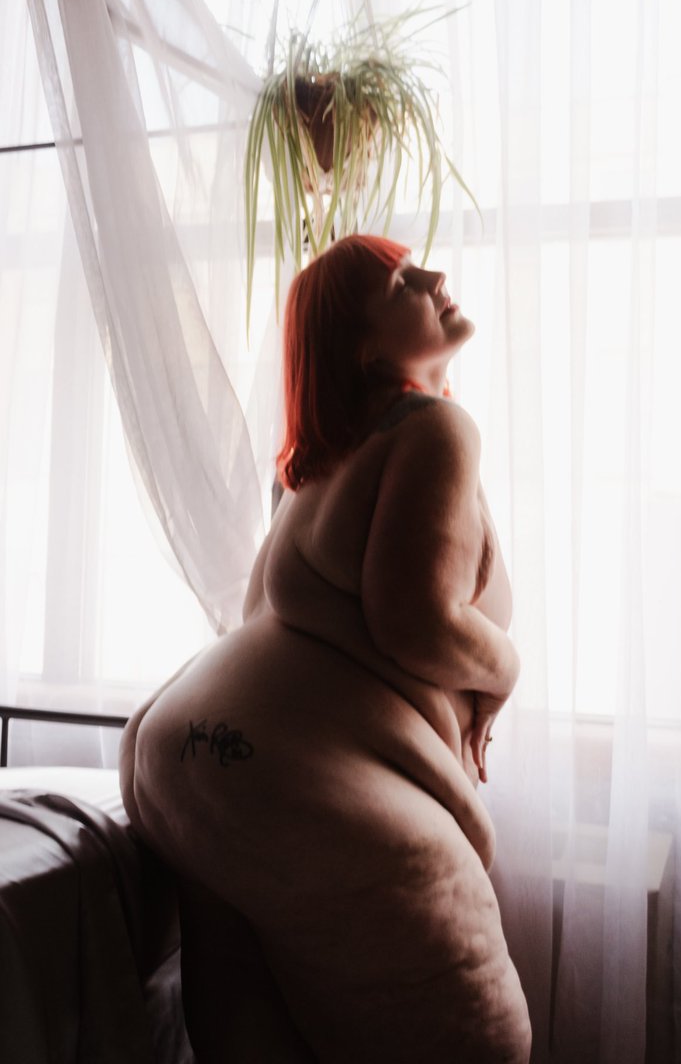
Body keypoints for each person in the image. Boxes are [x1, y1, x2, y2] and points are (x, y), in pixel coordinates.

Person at [119, 234, 531, 1063]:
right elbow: (413, 619)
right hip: (284, 779)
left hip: (172, 754)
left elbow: (265, 620)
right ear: (364, 348)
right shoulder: (438, 429)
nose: (436, 277)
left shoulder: (306, 472)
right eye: (403, 282)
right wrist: (504, 669)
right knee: (482, 1043)